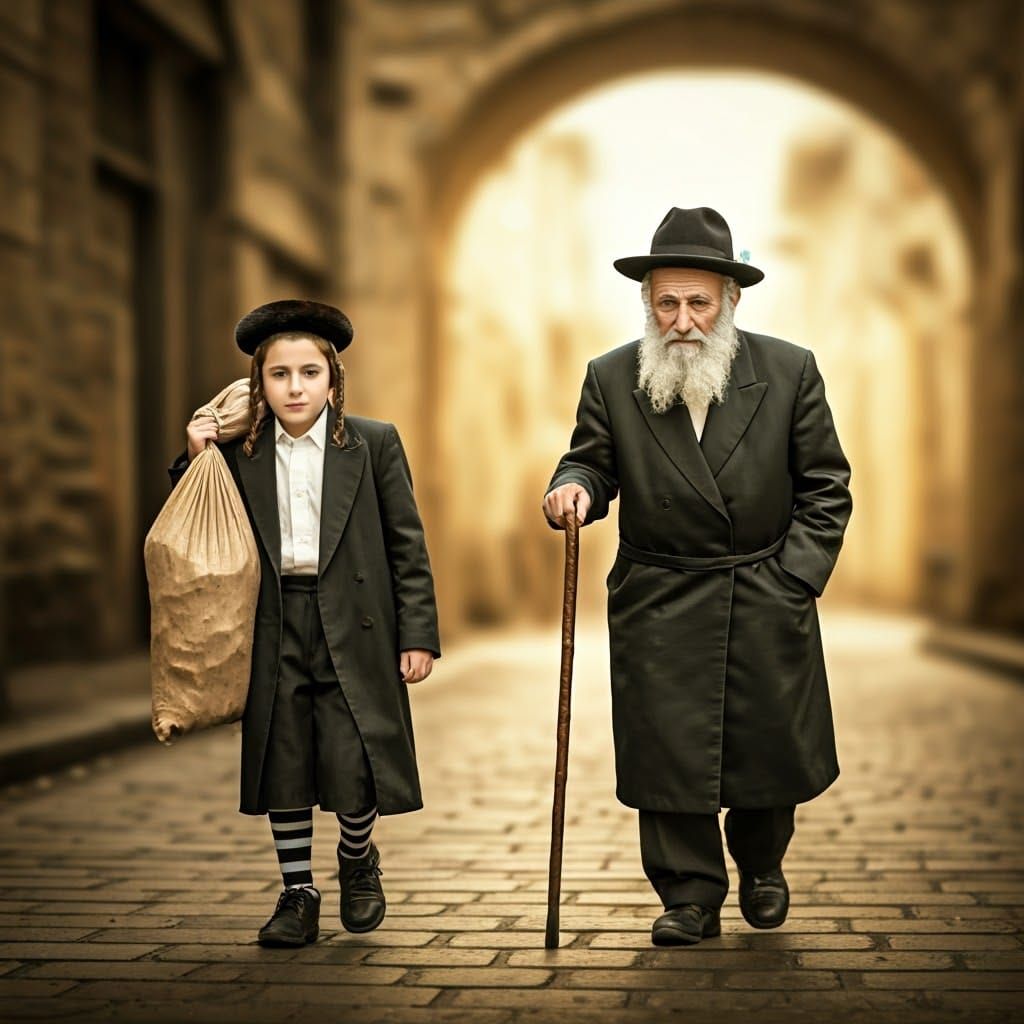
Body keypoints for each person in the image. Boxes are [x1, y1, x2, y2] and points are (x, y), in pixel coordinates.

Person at [543, 207, 852, 947]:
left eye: (699, 302)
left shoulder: (789, 370)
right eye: (667, 302)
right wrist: (572, 486)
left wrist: (794, 580)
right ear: (648, 303)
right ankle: (688, 895)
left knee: (766, 742)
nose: (683, 320)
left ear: (731, 301)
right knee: (668, 754)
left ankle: (763, 864)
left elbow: (826, 485)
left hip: (762, 588)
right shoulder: (612, 377)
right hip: (660, 592)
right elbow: (591, 458)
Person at [169, 299, 440, 947]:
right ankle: (297, 892)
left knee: (355, 753)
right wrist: (198, 452)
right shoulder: (241, 454)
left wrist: (418, 634)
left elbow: (407, 542)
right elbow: (194, 521)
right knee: (283, 756)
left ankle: (356, 857)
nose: (295, 387)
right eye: (280, 374)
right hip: (271, 620)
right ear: (258, 385)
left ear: (333, 380)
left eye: (309, 373)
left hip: (356, 617)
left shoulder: (373, 444)